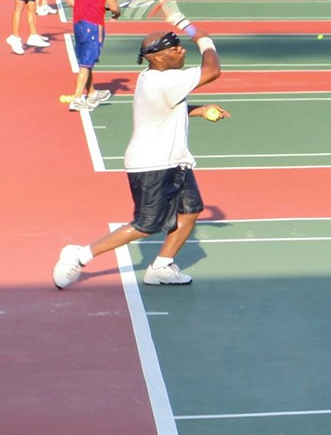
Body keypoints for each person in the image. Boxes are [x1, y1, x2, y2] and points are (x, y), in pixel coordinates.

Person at [52, 24, 223, 288]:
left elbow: (169, 108)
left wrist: (200, 110)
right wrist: (204, 40)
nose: (181, 50)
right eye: (174, 47)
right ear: (156, 56)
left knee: (190, 211)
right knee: (146, 225)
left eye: (181, 45)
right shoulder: (164, 80)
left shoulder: (152, 78)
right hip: (152, 164)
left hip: (177, 161)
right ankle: (79, 255)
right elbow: (212, 70)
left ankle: (161, 267)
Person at [62, 0, 119, 111]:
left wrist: (95, 3)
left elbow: (71, 1)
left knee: (86, 61)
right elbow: (114, 7)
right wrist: (116, 12)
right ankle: (77, 99)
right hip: (93, 25)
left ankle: (92, 92)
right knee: (86, 64)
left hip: (78, 24)